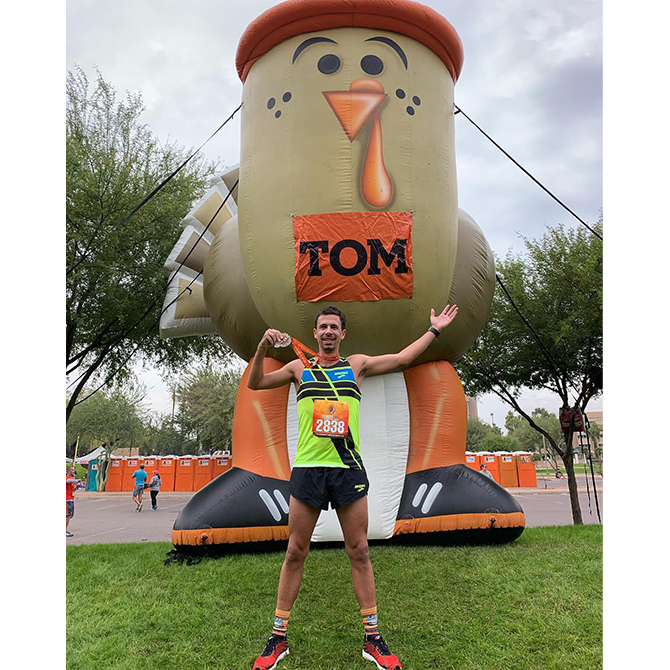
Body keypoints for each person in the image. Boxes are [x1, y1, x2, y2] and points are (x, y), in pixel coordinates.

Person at [248, 303, 459, 670]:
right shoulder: (299, 369)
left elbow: (403, 358)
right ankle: (277, 637)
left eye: (334, 327)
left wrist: (435, 329)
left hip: (348, 469)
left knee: (359, 550)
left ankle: (373, 638)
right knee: (295, 551)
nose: (328, 332)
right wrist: (264, 348)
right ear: (315, 334)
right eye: (322, 327)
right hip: (309, 471)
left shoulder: (356, 365)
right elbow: (256, 383)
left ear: (342, 334)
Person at [66, 466, 81, 537]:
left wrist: (78, 486)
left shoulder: (72, 479)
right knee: (67, 515)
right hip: (67, 499)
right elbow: (68, 481)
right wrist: (76, 480)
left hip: (71, 498)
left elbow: (73, 489)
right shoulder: (67, 478)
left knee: (71, 515)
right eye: (72, 470)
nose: (73, 471)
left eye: (74, 470)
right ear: (68, 471)